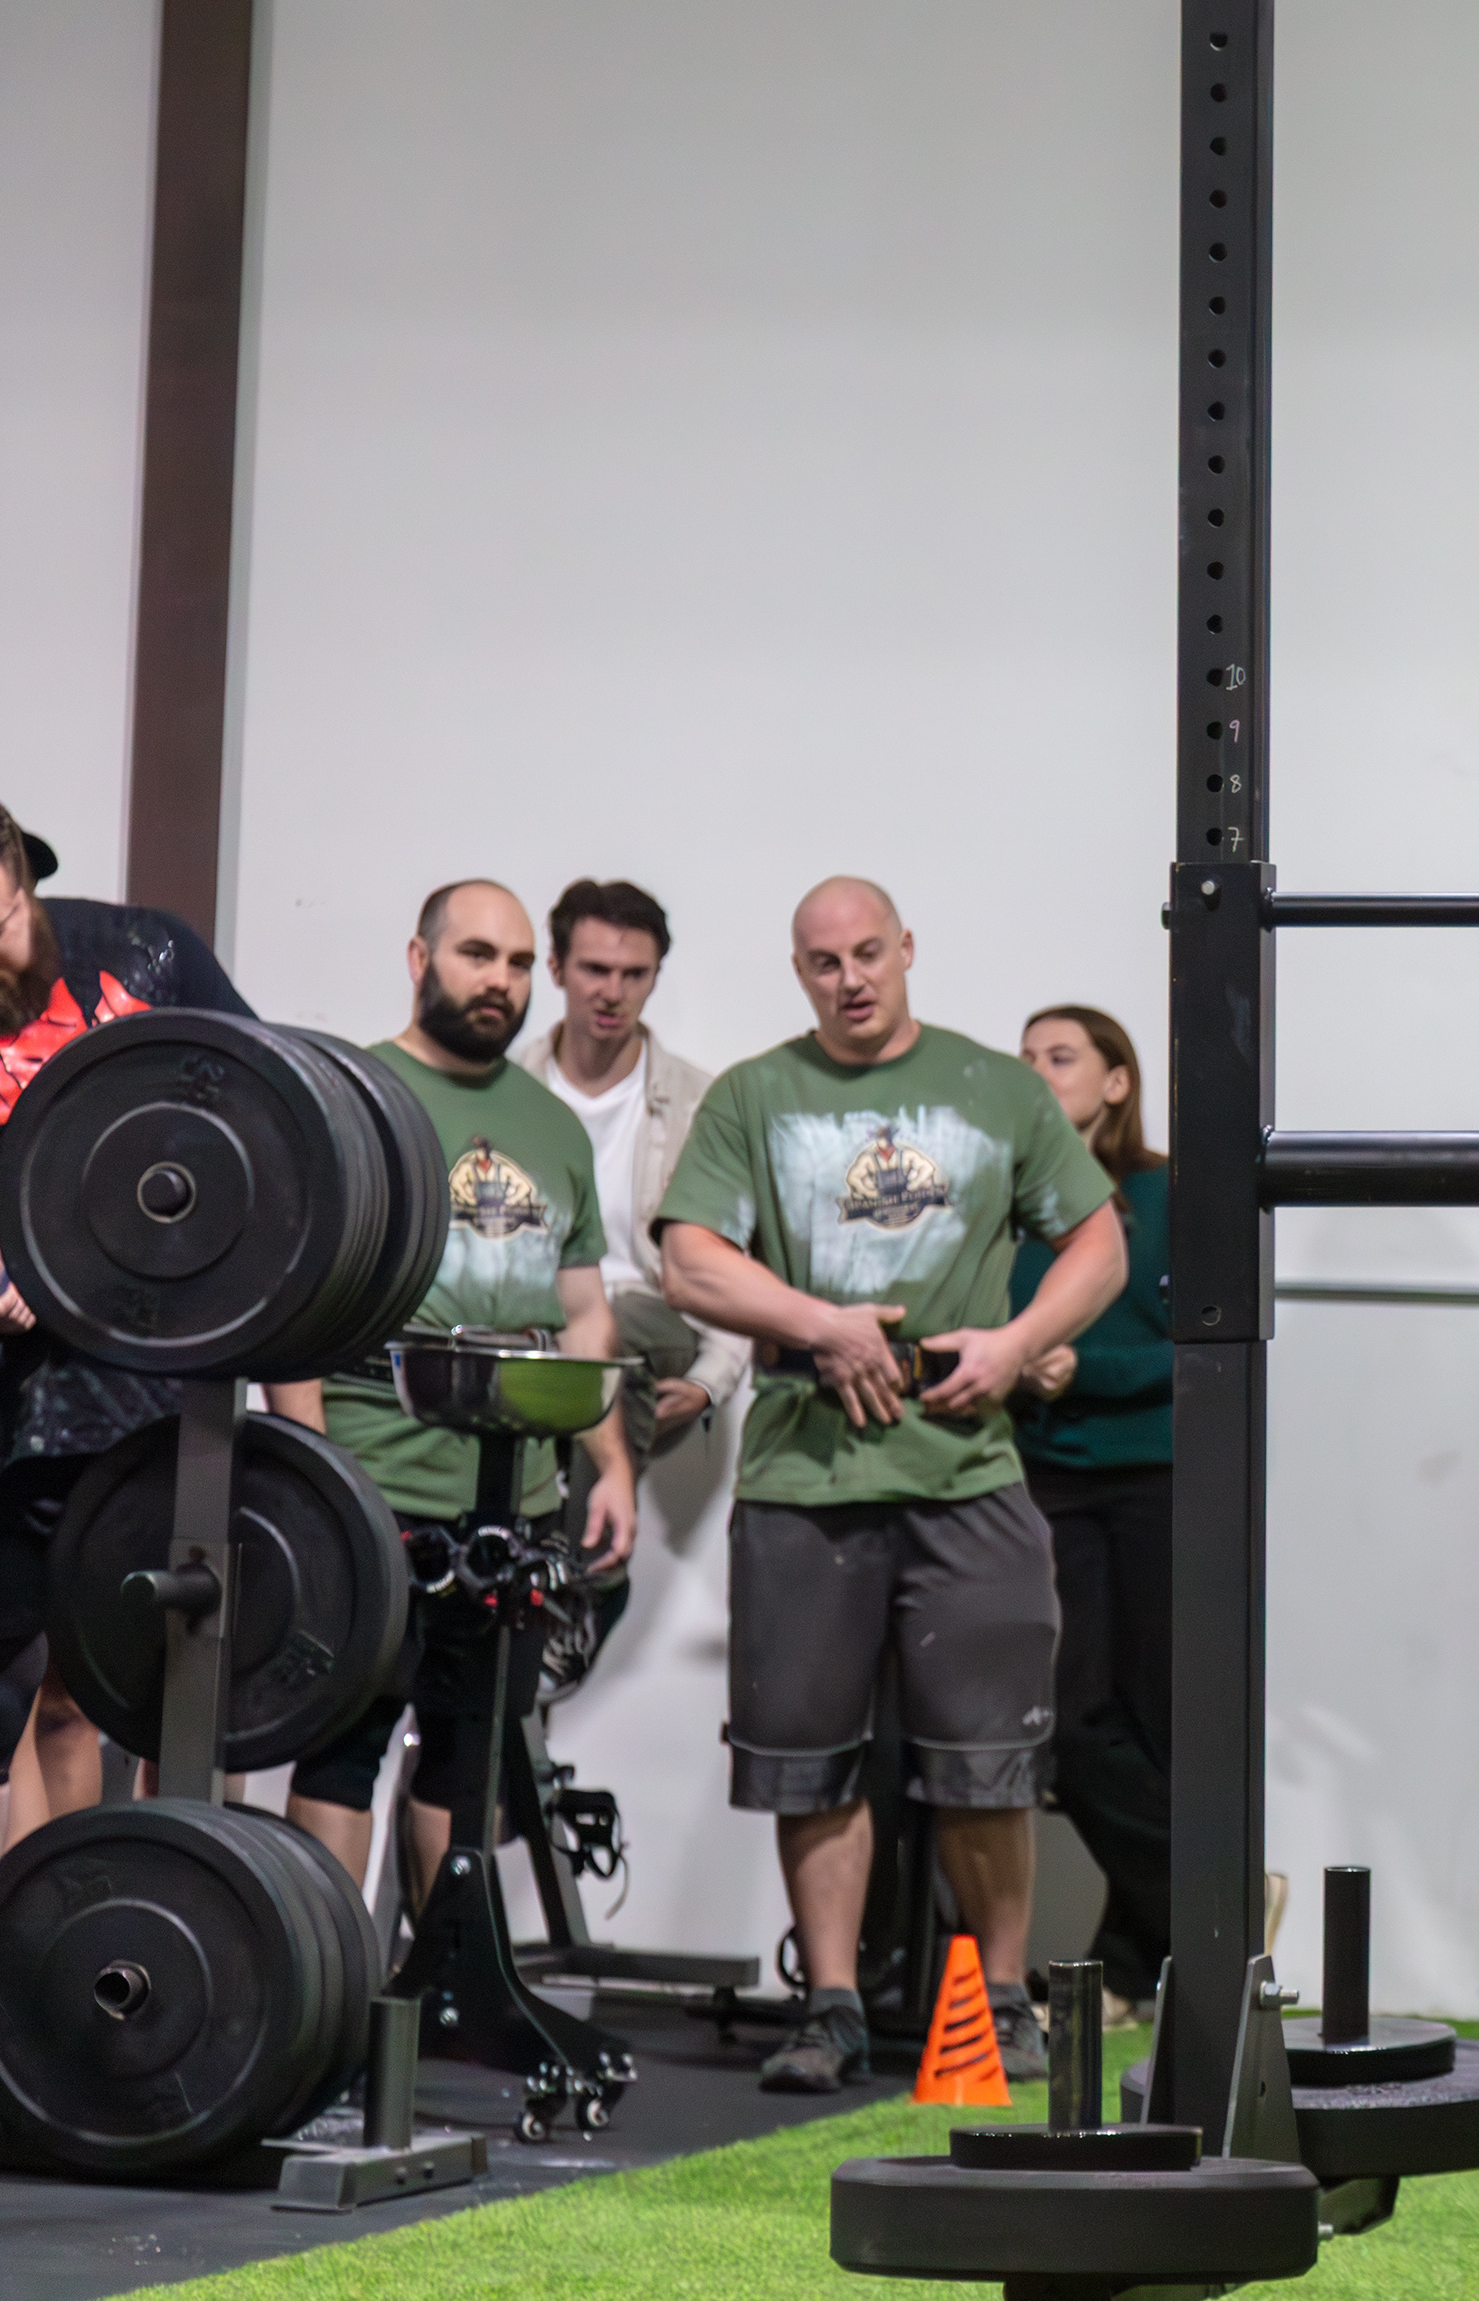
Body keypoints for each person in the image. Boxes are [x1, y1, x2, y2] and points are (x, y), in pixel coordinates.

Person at [657, 878, 1125, 2092]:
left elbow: (1099, 1242)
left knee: (987, 1758)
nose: (850, 978)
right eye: (824, 962)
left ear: (906, 948)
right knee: (805, 1759)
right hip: (802, 1471)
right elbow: (691, 1259)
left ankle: (1002, 2004)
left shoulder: (997, 1087)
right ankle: (830, 2006)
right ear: (799, 972)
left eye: (868, 952)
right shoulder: (755, 1094)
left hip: (967, 1466)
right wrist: (821, 1323)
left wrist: (1016, 1345)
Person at [0, 783, 271, 1962]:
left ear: (28, 880)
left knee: (123, 1692)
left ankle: (103, 1965)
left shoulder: (146, 954)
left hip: (138, 1393)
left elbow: (274, 1116)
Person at [286, 880, 637, 1887]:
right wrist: (312, 1474)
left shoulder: (551, 1125)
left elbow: (583, 1311)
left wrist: (611, 1465)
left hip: (511, 1497)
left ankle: (442, 1970)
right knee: (344, 1750)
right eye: (477, 955)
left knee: (468, 1756)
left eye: (519, 963)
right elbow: (298, 1306)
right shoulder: (352, 1096)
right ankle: (330, 1973)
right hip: (374, 1485)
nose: (501, 981)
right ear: (419, 959)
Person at [1009, 1003, 1173, 2024]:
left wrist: (1086, 1369)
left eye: (1060, 1056)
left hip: (1158, 1477)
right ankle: (1220, 1894)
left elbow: (1206, 1343)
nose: (1036, 1071)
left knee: (1159, 1725)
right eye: (1024, 1057)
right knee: (1070, 1727)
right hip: (1043, 1476)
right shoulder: (1007, 1201)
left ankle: (1125, 1967)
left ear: (1117, 1080)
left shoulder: (1166, 1193)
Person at [518, 877, 748, 1470]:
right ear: (556, 968)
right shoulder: (511, 1091)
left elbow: (735, 1259)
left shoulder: (699, 1104)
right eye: (595, 970)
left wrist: (710, 1380)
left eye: (634, 974)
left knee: (602, 1333)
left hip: (650, 1317)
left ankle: (588, 1516)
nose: (613, 993)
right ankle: (577, 1516)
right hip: (530, 1323)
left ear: (654, 977)